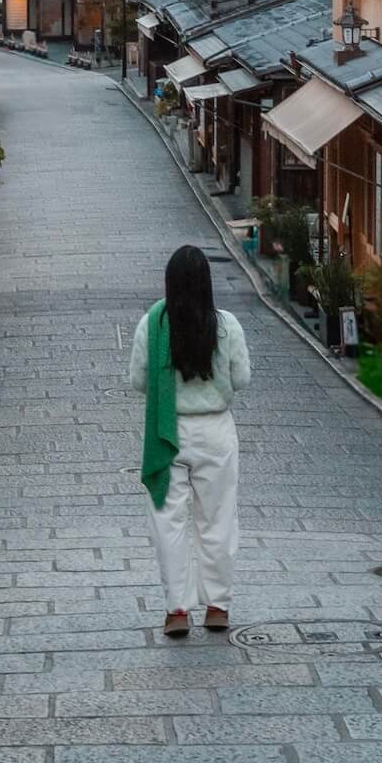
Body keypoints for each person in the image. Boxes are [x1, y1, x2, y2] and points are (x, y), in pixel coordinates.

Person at [129, 245, 250, 637]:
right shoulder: (227, 324)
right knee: (217, 519)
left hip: (169, 432)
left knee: (169, 522)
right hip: (215, 431)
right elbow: (242, 379)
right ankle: (218, 606)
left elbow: (138, 381)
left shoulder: (153, 323)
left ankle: (177, 610)